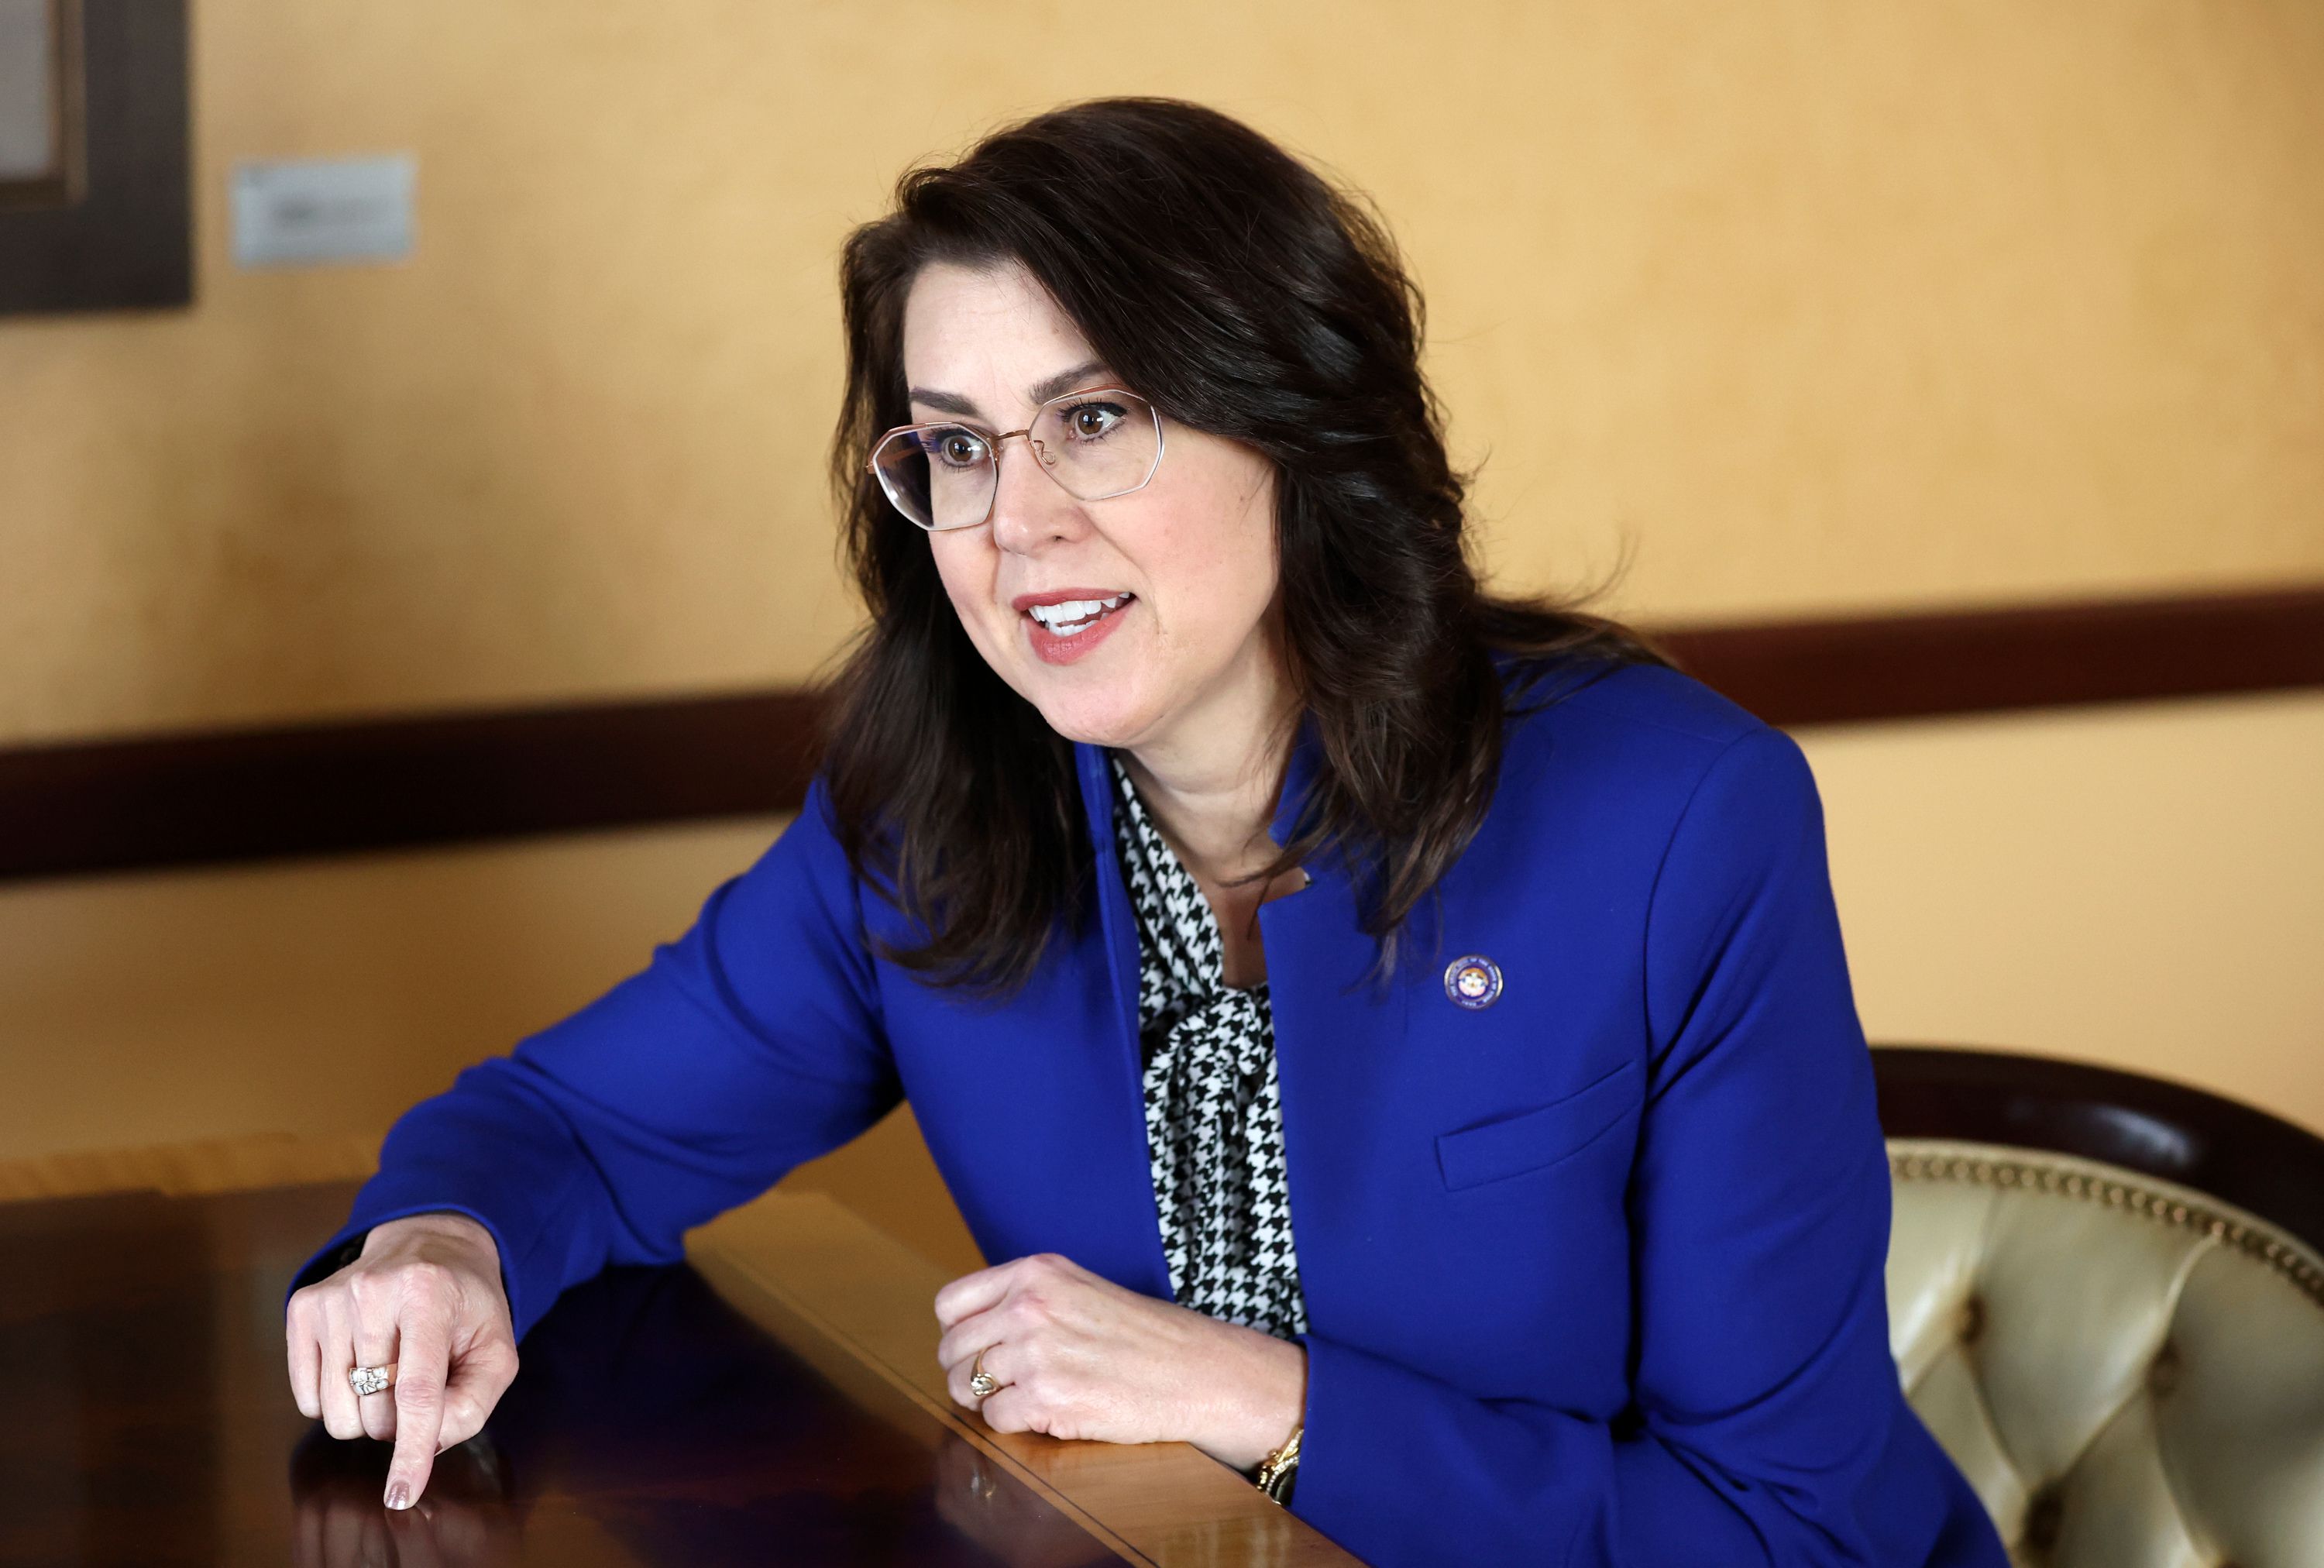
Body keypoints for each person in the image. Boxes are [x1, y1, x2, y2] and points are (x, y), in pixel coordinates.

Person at [282, 96, 2009, 1566]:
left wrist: (1257, 1399)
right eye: (958, 448)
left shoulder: (1676, 817)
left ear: (1298, 424)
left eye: (1095, 420)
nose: (1016, 523)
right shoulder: (928, 817)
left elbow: (1789, 1530)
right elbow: (567, 1127)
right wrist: (439, 1246)